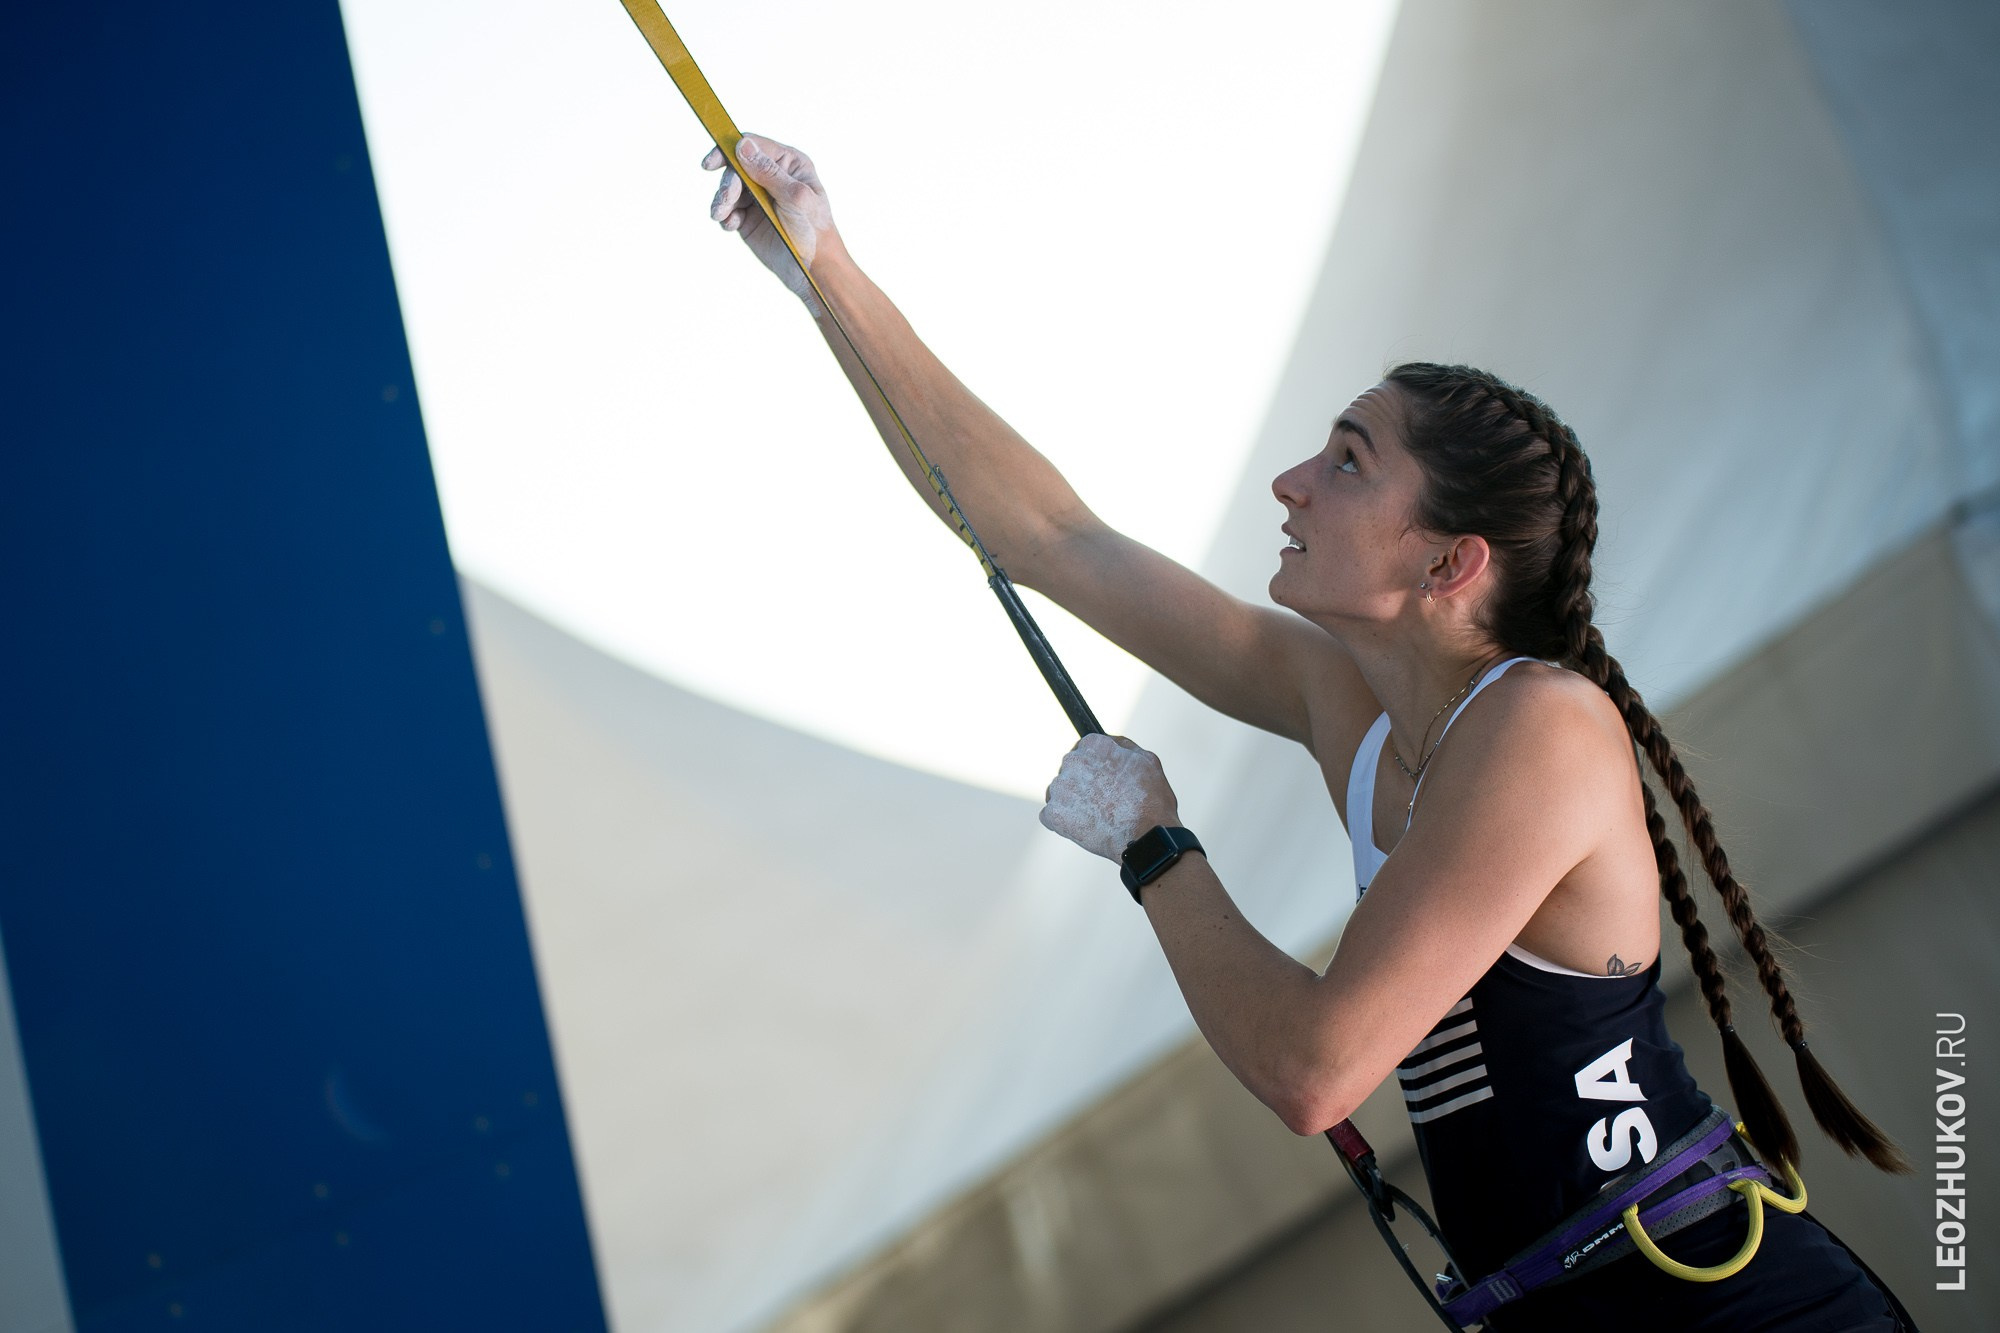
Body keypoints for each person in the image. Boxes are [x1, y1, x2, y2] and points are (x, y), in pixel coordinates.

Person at [699, 133, 1915, 1329]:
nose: (1289, 482)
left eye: (1345, 462)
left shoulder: (1541, 724)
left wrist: (1154, 848)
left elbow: (1317, 1068)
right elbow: (1046, 538)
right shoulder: (1353, 705)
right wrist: (828, 277)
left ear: (1448, 560)